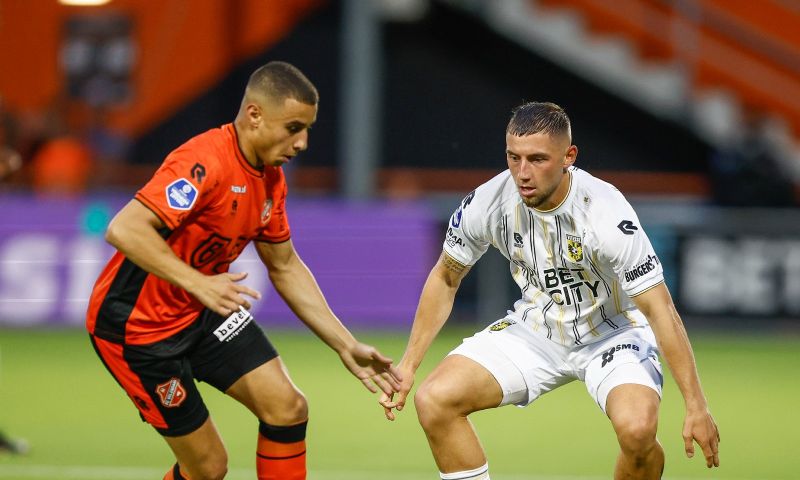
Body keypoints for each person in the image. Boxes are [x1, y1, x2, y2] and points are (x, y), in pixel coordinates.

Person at [86, 61, 402, 480]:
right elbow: (124, 228)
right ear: (254, 115)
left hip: (201, 311)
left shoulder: (271, 179)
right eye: (293, 127)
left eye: (307, 128)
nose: (303, 142)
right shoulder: (204, 162)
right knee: (209, 467)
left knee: (288, 409)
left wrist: (345, 344)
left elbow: (285, 265)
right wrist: (199, 282)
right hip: (138, 330)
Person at [380, 102, 720, 479]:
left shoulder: (606, 214)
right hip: (536, 330)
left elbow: (659, 309)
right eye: (514, 158)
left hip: (613, 333)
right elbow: (446, 277)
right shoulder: (488, 202)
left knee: (637, 432)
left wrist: (695, 404)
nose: (522, 173)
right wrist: (408, 365)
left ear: (568, 157)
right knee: (435, 400)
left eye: (537, 159)